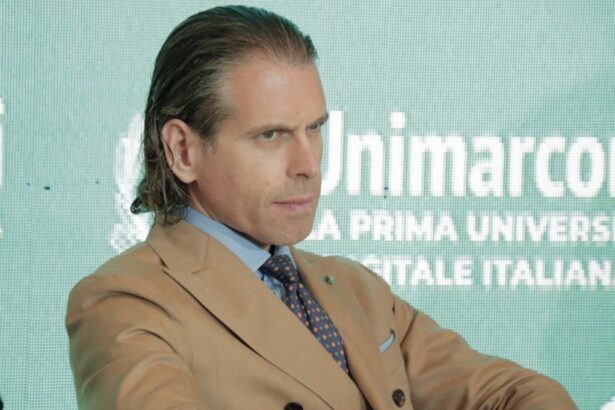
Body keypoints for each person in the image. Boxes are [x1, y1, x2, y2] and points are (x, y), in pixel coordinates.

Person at [66, 5, 576, 410]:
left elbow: (513, 393)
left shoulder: (355, 288)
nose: (309, 164)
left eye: (315, 129)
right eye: (271, 136)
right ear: (183, 150)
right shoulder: (125, 303)